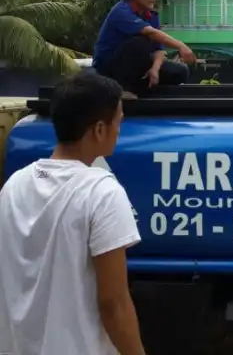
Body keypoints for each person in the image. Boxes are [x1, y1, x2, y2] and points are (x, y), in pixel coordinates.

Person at [0, 72, 145, 355]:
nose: (120, 130)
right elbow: (113, 303)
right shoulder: (101, 192)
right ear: (100, 129)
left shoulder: (14, 184)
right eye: (119, 121)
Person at [92, 0, 197, 99]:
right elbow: (151, 33)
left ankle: (144, 85)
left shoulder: (151, 15)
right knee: (140, 41)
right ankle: (121, 89)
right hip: (109, 69)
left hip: (137, 66)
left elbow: (158, 49)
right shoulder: (121, 11)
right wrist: (181, 46)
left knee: (181, 71)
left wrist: (155, 69)